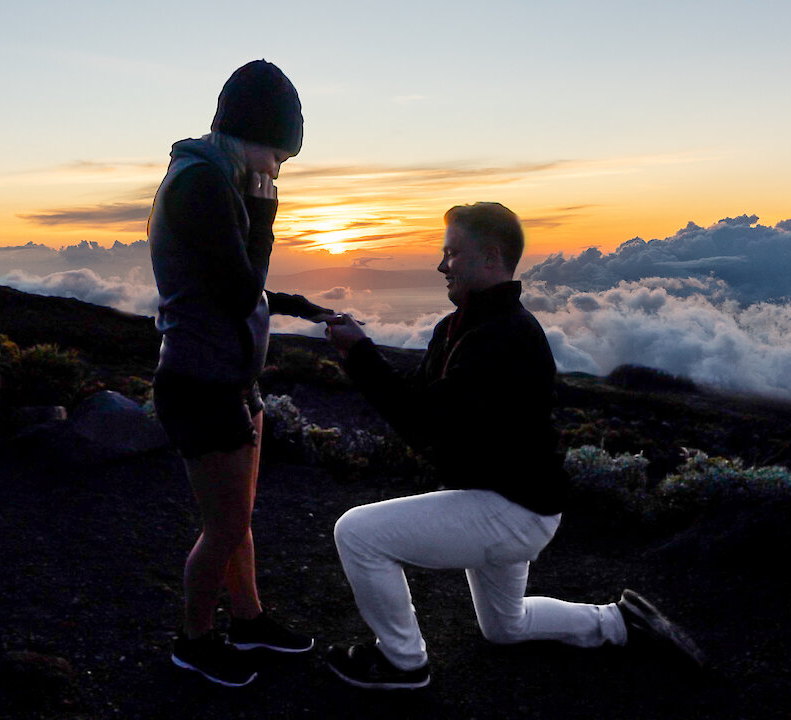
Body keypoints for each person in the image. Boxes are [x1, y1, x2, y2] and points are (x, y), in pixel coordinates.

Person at [322, 202, 704, 689]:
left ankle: (402, 663)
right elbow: (418, 399)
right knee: (505, 626)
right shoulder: (460, 327)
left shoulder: (504, 337)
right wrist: (361, 353)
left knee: (357, 533)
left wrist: (359, 354)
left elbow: (423, 422)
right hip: (511, 500)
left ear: (490, 256)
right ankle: (619, 621)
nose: (442, 265)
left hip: (511, 508)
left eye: (452, 253)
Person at [148, 60, 333, 688]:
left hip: (229, 379)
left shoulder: (218, 177)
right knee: (223, 526)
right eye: (278, 155)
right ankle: (194, 640)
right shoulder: (202, 184)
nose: (278, 169)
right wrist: (267, 209)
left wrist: (295, 307)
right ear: (251, 134)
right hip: (201, 383)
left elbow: (235, 284)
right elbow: (237, 286)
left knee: (237, 521)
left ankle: (249, 620)